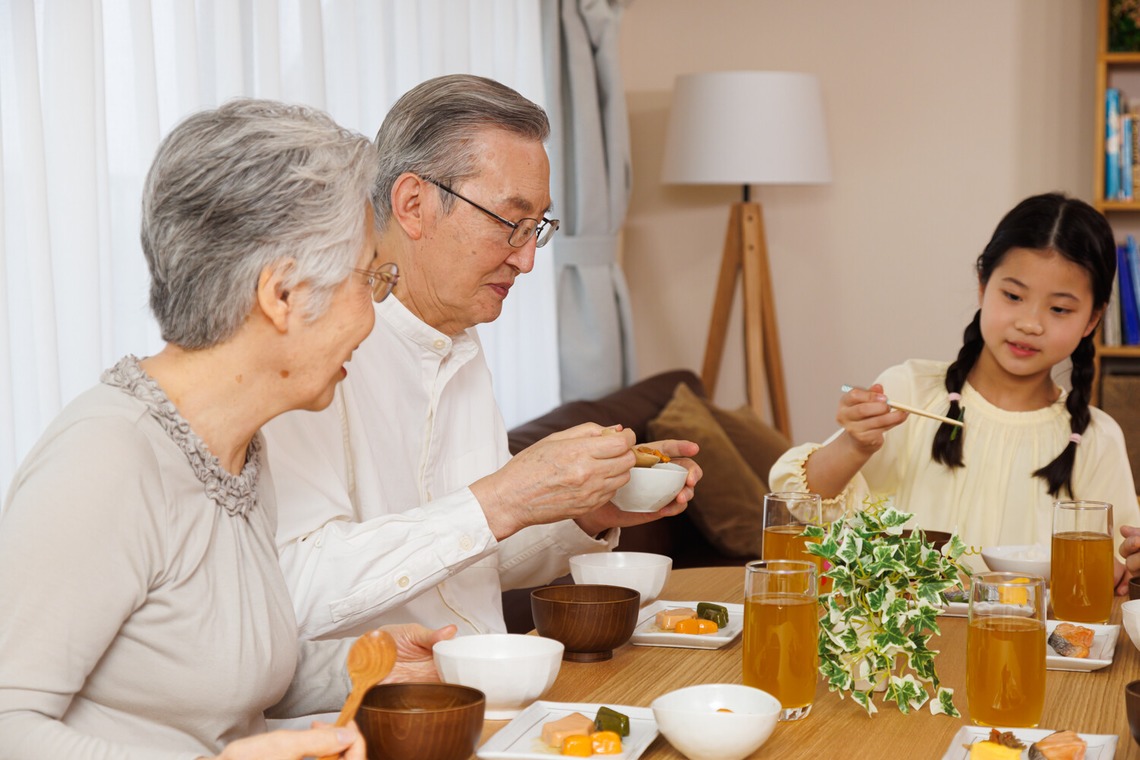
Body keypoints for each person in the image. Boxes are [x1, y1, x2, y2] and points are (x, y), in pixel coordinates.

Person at [0, 99, 456, 760]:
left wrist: (368, 662)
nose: (372, 314)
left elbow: (217, 679)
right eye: (370, 278)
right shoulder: (104, 461)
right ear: (282, 296)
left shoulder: (236, 448)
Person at [262, 74, 701, 640]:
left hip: (490, 689)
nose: (526, 261)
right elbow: (292, 588)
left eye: (536, 227)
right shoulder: (312, 352)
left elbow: (468, 561)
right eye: (509, 222)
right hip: (372, 710)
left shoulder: (459, 340)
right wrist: (503, 497)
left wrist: (582, 510)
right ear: (414, 205)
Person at [769, 192, 1140, 591]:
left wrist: (1128, 568)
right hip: (905, 647)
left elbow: (1116, 575)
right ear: (982, 286)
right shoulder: (909, 393)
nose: (1030, 323)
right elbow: (796, 507)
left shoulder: (1095, 438)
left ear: (1092, 319)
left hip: (1027, 649)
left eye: (1060, 309)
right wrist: (854, 445)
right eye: (1013, 296)